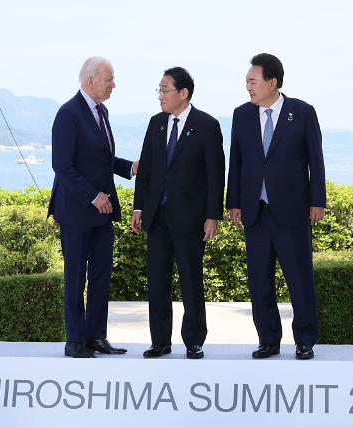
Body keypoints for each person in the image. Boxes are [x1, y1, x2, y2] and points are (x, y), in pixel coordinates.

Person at [226, 53, 326, 360]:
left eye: (252, 81)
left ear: (272, 82)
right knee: (259, 281)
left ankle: (305, 339)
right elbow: (237, 162)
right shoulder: (241, 114)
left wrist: (317, 200)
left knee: (299, 277)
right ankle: (268, 340)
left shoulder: (302, 112)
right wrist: (234, 203)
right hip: (255, 210)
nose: (248, 87)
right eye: (246, 81)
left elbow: (315, 160)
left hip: (293, 210)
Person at [131, 67, 225, 359]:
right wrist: (139, 206)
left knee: (190, 280)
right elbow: (145, 169)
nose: (160, 96)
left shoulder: (207, 125)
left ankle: (194, 340)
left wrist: (213, 216)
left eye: (165, 90)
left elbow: (215, 175)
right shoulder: (156, 123)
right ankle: (160, 341)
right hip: (157, 217)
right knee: (157, 280)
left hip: (191, 218)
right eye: (158, 90)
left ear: (183, 93)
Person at [49, 56, 137, 358]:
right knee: (76, 277)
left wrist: (131, 168)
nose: (114, 84)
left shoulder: (102, 112)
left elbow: (101, 159)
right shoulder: (68, 114)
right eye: (109, 79)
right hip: (76, 211)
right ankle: (75, 342)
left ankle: (97, 337)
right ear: (91, 81)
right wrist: (93, 196)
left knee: (101, 276)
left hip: (103, 213)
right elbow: (62, 165)